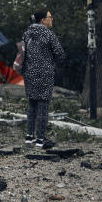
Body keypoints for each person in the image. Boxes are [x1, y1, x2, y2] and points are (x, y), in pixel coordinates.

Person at [22, 8, 65, 147]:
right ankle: (40, 140)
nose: (51, 19)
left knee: (32, 104)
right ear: (43, 20)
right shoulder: (49, 34)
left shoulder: (27, 34)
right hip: (45, 74)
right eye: (50, 17)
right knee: (43, 105)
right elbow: (60, 53)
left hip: (29, 73)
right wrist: (51, 61)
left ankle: (29, 137)